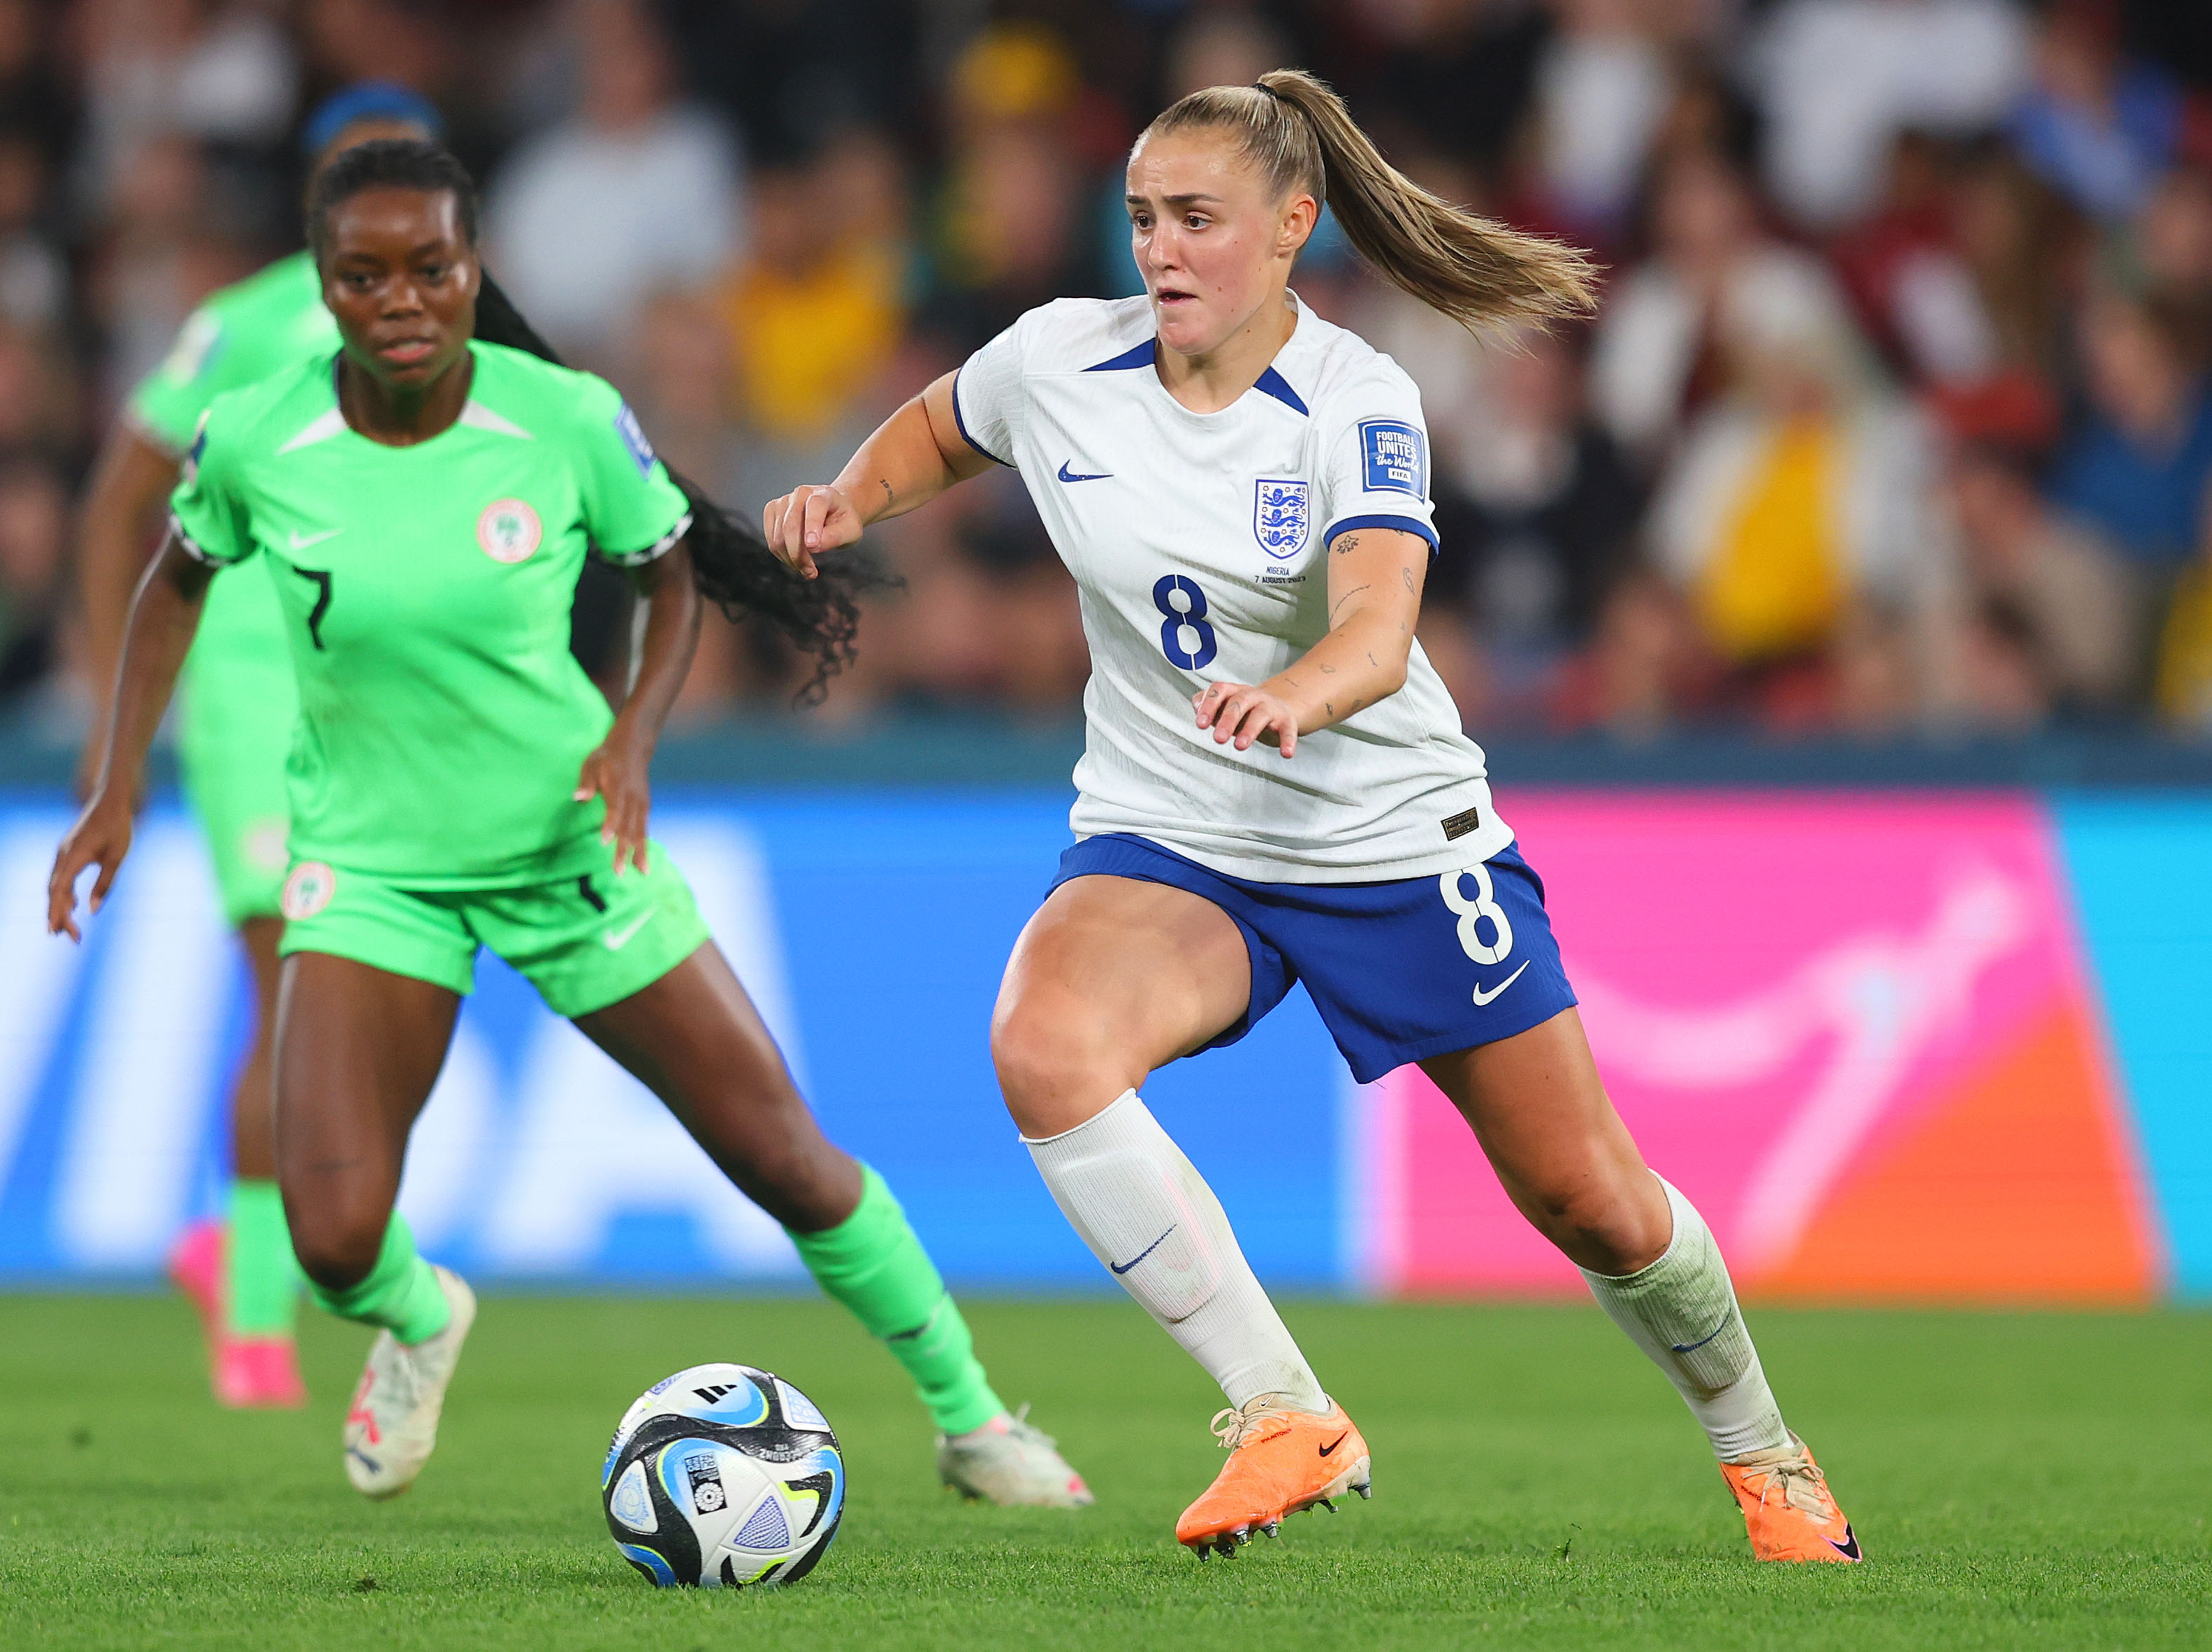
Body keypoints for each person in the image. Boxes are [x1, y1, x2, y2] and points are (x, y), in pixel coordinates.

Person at [760, 72, 1861, 1565]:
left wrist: (1307, 696)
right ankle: (1283, 1409)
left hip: (1385, 844)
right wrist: (844, 494)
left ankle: (1760, 1453)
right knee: (1041, 1042)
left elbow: (1377, 622)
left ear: (1290, 228)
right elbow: (945, 430)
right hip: (1175, 834)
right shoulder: (1057, 359)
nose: (1159, 250)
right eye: (1143, 217)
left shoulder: (1353, 399)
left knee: (1587, 1197)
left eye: (1196, 220)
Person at [48, 138, 1088, 1509]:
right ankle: (422, 1321)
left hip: (565, 846)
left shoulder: (562, 419)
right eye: (365, 275)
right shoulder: (259, 434)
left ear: (474, 266)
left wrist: (628, 733)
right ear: (324, 284)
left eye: (432, 267)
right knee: (331, 1239)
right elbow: (174, 580)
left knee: (779, 1151)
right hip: (369, 871)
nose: (402, 299)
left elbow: (665, 577)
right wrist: (116, 781)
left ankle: (970, 1417)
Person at [75, 82, 440, 1413]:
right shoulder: (242, 323)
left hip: (380, 689)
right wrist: (110, 706)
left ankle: (241, 1243)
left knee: (374, 1009)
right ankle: (251, 1328)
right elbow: (122, 494)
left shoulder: (454, 325)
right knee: (289, 986)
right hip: (245, 680)